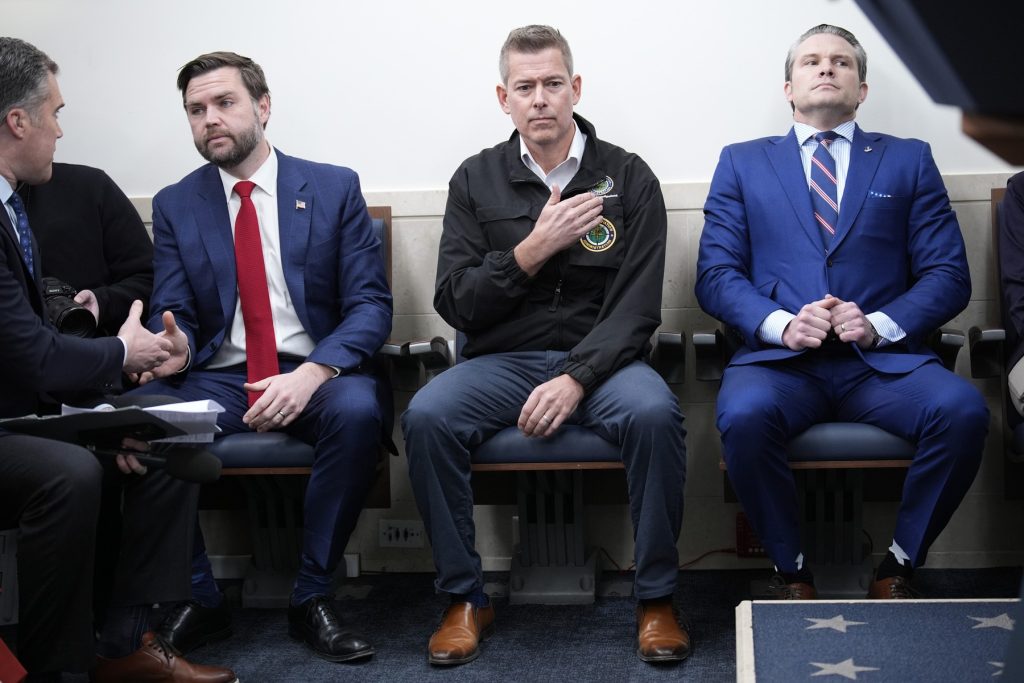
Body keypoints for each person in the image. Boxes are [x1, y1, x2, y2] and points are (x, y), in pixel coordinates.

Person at [402, 25, 689, 666]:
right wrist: (531, 249)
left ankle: (656, 599)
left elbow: (638, 306)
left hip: (605, 365)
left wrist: (578, 376)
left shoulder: (628, 176)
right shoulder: (475, 179)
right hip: (502, 362)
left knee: (655, 414)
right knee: (426, 417)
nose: (540, 99)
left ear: (575, 88)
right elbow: (457, 301)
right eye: (525, 86)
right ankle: (464, 599)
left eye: (553, 83)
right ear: (503, 97)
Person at [695, 23, 988, 600]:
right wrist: (781, 324)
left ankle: (899, 564)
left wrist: (879, 325)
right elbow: (716, 275)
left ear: (862, 89)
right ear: (788, 88)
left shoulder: (908, 160)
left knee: (964, 412)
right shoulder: (741, 162)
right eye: (811, 61)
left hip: (881, 367)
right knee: (744, 417)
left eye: (841, 62)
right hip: (780, 365)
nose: (826, 68)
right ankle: (792, 570)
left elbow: (949, 276)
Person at [130, 51, 393, 664]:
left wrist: (312, 374)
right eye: (196, 109)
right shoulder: (176, 204)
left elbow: (370, 305)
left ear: (263, 106)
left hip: (315, 372)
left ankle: (312, 594)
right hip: (221, 379)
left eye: (224, 103)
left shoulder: (332, 187)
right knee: (139, 418)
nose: (210, 119)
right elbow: (176, 310)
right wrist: (176, 347)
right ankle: (199, 598)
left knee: (358, 411)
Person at [0, 37, 236, 682]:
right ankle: (59, 669)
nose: (60, 130)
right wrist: (122, 352)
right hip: (18, 411)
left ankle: (123, 642)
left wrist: (111, 387)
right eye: (55, 113)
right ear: (18, 121)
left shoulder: (21, 203)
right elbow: (31, 354)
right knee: (72, 471)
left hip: (30, 406)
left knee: (159, 436)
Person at [19, 162, 154, 336]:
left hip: (95, 342)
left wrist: (101, 302)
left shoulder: (90, 186)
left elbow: (148, 279)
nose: (56, 142)